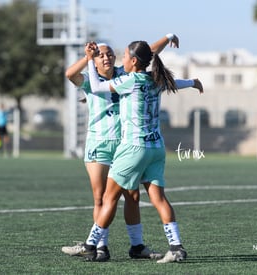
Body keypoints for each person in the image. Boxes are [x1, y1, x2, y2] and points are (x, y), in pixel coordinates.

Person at [62, 34, 203, 261]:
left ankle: (102, 245)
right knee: (111, 197)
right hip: (120, 145)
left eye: (114, 54)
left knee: (123, 197)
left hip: (129, 146)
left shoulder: (125, 76)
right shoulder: (101, 78)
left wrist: (166, 39)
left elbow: (147, 51)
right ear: (94, 60)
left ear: (129, 60)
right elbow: (149, 57)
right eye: (100, 55)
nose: (107, 57)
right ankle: (103, 246)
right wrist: (192, 81)